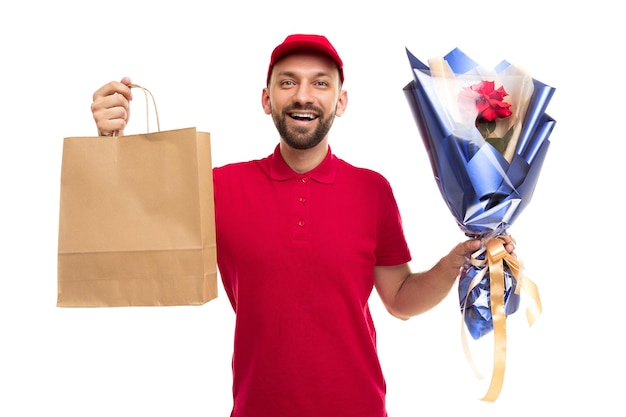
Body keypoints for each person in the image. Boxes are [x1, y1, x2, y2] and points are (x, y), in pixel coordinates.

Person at [90, 34, 515, 417]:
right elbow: (136, 226)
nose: (303, 96)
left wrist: (459, 259)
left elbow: (400, 300)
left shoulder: (373, 189)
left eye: (321, 83)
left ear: (341, 102)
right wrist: (113, 145)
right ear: (266, 98)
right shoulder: (220, 185)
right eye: (288, 82)